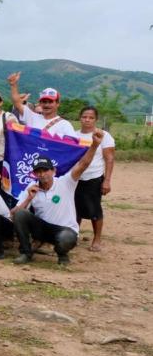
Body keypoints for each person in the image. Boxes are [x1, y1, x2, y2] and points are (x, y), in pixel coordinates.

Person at [11, 129, 105, 266]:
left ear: (54, 170)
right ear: (34, 174)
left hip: (64, 229)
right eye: (38, 171)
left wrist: (95, 145)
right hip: (43, 229)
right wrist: (28, 199)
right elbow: (13, 214)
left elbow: (83, 164)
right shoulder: (32, 187)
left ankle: (62, 254)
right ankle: (26, 253)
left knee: (66, 238)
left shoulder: (66, 182)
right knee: (21, 214)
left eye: (45, 170)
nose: (42, 174)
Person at [74, 107, 115, 252]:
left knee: (94, 209)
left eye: (91, 117)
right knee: (74, 209)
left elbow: (109, 159)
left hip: (94, 177)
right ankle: (74, 235)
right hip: (76, 178)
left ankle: (97, 239)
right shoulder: (74, 135)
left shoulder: (103, 135)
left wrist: (107, 180)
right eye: (84, 117)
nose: (87, 120)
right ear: (80, 118)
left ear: (95, 119)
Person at [8, 72, 74, 137]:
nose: (47, 105)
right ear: (40, 103)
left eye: (50, 102)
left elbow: (74, 145)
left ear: (57, 104)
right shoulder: (32, 117)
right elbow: (17, 103)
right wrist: (13, 85)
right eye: (44, 102)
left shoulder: (65, 125)